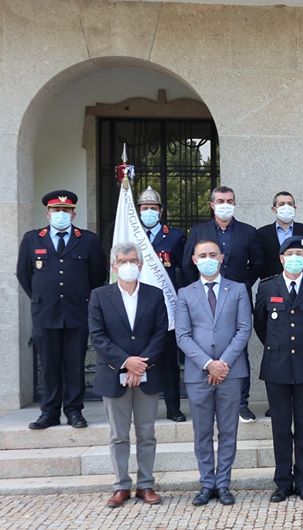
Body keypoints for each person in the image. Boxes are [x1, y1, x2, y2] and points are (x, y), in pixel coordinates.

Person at [17, 190, 107, 430]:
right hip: (45, 313)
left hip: (77, 312)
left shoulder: (87, 240)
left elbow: (98, 276)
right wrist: (40, 298)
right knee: (48, 365)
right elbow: (24, 275)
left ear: (74, 213)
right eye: (56, 210)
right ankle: (49, 412)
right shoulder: (32, 239)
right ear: (47, 214)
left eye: (66, 211)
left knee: (74, 363)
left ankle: (74, 410)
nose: (61, 214)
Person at [88, 242, 168, 508]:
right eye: (122, 261)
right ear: (114, 266)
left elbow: (160, 334)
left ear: (141, 264)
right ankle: (121, 485)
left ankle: (146, 485)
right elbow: (98, 336)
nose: (128, 265)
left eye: (133, 261)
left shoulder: (155, 295)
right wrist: (126, 362)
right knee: (118, 435)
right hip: (113, 375)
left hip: (148, 374)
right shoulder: (99, 295)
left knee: (147, 434)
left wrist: (140, 364)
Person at [254, 236, 303, 503]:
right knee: (281, 428)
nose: (295, 257)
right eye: (291, 253)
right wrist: (279, 347)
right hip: (276, 367)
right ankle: (283, 483)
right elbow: (261, 325)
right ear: (281, 258)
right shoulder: (267, 287)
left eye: (300, 252)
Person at [175, 240, 252, 507]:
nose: (208, 258)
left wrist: (224, 363)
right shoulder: (185, 293)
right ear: (194, 260)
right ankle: (207, 483)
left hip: (231, 372)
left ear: (221, 257)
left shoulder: (239, 289)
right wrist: (209, 364)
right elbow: (183, 336)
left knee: (228, 430)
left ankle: (224, 484)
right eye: (202, 255)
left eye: (213, 254)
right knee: (203, 432)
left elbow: (244, 329)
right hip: (199, 373)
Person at [182, 185, 263, 422]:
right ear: (212, 204)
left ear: (235, 204)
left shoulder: (248, 232)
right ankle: (208, 398)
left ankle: (241, 404)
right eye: (220, 200)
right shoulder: (199, 231)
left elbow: (257, 263)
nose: (225, 204)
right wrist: (199, 289)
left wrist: (242, 285)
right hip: (204, 298)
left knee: (240, 350)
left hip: (236, 297)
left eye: (229, 200)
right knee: (205, 345)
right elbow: (187, 263)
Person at [137, 186, 188, 422]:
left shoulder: (175, 236)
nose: (149, 211)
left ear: (160, 210)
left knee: (168, 362)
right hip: (138, 308)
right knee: (140, 358)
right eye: (144, 208)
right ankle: (138, 407)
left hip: (168, 307)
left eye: (152, 208)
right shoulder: (131, 236)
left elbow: (185, 270)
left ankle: (173, 407)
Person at [256, 191, 303, 279]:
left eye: (289, 204)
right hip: (271, 285)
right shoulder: (262, 233)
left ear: (295, 208)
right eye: (281, 204)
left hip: (301, 284)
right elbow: (259, 262)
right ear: (274, 209)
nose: (286, 207)